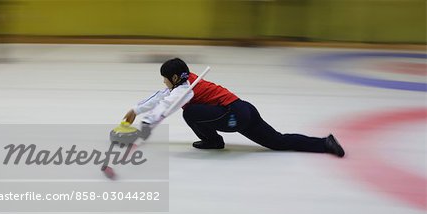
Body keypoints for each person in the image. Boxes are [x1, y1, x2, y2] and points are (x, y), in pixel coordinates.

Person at [123, 58, 345, 157]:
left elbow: (166, 107)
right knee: (278, 141)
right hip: (244, 109)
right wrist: (135, 110)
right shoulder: (185, 81)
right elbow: (162, 97)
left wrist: (146, 126)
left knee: (190, 112)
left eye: (165, 79)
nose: (164, 83)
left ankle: (213, 141)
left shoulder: (185, 90)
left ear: (173, 77)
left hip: (233, 116)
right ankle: (325, 143)